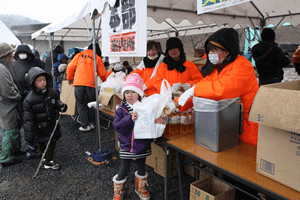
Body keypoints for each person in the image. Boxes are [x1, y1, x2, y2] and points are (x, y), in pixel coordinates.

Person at [177, 28, 259, 146]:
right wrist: (177, 105)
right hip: (227, 126)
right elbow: (202, 92)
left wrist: (194, 89)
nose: (211, 54)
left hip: (247, 129)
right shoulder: (217, 69)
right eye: (210, 50)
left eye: (215, 50)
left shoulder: (243, 66)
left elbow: (221, 90)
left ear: (227, 51)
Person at [112, 73, 164, 200]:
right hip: (126, 146)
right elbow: (117, 126)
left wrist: (159, 121)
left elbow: (151, 124)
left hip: (142, 145)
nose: (130, 95)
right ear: (123, 94)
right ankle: (118, 191)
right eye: (127, 92)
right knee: (124, 168)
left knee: (142, 167)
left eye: (133, 92)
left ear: (140, 94)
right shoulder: (121, 109)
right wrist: (130, 119)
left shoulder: (146, 107)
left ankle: (140, 187)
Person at [23, 67, 68, 169]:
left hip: (51, 124)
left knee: (52, 142)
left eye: (44, 80)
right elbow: (28, 120)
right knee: (41, 142)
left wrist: (62, 106)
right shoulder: (28, 100)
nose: (42, 82)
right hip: (38, 127)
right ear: (33, 82)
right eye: (39, 81)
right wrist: (29, 136)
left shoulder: (51, 92)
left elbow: (56, 102)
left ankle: (48, 160)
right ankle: (45, 158)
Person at [66, 43, 107, 131]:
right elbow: (103, 74)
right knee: (92, 104)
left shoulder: (79, 55)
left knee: (80, 104)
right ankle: (92, 123)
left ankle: (85, 125)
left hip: (79, 83)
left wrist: (69, 78)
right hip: (91, 84)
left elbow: (70, 67)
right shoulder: (97, 58)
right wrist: (106, 82)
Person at [0, 43, 23, 166]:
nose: (13, 55)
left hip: (7, 105)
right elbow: (7, 90)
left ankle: (15, 151)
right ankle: (5, 158)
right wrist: (17, 96)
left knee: (13, 128)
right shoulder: (1, 69)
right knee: (9, 130)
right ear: (4, 56)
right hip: (6, 105)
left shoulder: (4, 67)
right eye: (11, 54)